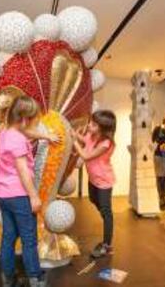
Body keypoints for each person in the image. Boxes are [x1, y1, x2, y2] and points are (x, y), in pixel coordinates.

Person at [0, 95, 57, 287]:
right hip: (19, 195)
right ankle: (35, 278)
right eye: (32, 119)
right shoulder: (18, 140)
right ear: (23, 119)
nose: (33, 124)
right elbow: (22, 170)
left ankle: (8, 278)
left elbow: (28, 133)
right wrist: (34, 196)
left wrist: (46, 136)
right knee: (29, 239)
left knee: (9, 237)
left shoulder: (6, 132)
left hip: (3, 194)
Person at [72, 110, 117, 258]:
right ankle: (106, 214)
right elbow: (84, 141)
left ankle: (107, 245)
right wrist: (74, 134)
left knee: (106, 212)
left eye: (93, 124)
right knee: (92, 199)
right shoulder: (93, 136)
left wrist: (74, 143)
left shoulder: (106, 143)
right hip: (93, 179)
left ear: (103, 128)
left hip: (104, 181)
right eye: (91, 122)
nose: (90, 126)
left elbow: (85, 155)